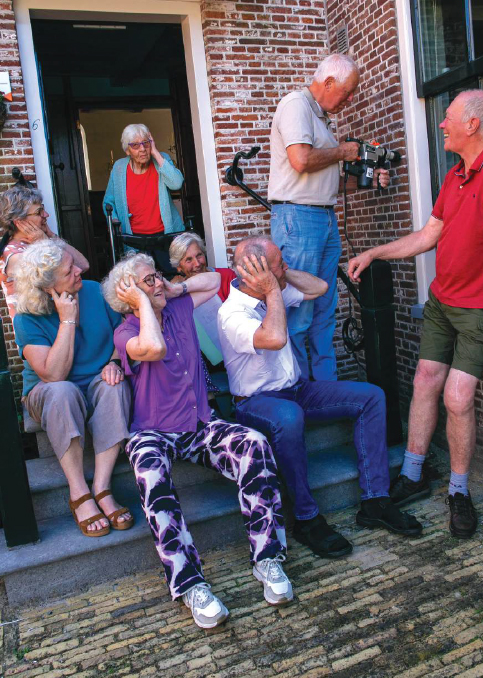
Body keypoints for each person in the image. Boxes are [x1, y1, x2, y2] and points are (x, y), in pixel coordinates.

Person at [348, 89, 483, 539]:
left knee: (457, 397)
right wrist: (376, 252)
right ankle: (414, 474)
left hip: (479, 310)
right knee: (425, 382)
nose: (441, 123)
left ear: (472, 124)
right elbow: (428, 235)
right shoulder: (455, 175)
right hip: (441, 303)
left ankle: (459, 491)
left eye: (449, 117)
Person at [102, 253, 292, 630]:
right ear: (128, 297)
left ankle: (267, 558)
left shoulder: (178, 307)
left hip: (200, 423)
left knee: (253, 442)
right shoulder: (126, 333)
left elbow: (212, 281)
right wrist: (142, 305)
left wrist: (172, 287)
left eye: (157, 275)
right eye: (148, 280)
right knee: (149, 473)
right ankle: (189, 584)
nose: (158, 282)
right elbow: (153, 349)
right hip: (152, 431)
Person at [218, 235, 422, 561]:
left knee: (371, 396)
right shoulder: (232, 313)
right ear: (253, 275)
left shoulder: (273, 290)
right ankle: (306, 517)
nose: (286, 269)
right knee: (288, 417)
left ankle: (375, 500)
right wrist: (273, 288)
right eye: (278, 265)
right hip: (256, 402)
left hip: (298, 390)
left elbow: (319, 288)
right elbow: (274, 337)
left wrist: (279, 276)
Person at [268, 53, 390, 382]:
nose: (349, 100)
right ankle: (298, 393)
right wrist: (343, 151)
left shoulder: (321, 118)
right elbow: (301, 160)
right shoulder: (296, 105)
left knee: (324, 309)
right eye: (347, 92)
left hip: (323, 216)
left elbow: (325, 180)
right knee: (298, 310)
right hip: (298, 218)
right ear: (329, 82)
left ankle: (328, 390)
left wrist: (368, 181)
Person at [13, 239, 132, 537]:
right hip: (48, 391)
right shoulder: (27, 317)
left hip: (95, 379)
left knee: (114, 385)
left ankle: (102, 488)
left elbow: (123, 332)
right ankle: (79, 493)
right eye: (69, 270)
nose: (79, 270)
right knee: (62, 391)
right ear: (48, 285)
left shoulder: (94, 291)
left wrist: (115, 361)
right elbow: (52, 375)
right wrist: (67, 319)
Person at [102, 124, 184, 276]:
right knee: (141, 282)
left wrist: (156, 153)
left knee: (173, 278)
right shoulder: (119, 168)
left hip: (165, 237)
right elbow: (108, 201)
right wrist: (114, 221)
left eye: (145, 143)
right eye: (135, 145)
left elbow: (176, 183)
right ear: (127, 150)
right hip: (134, 241)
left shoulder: (162, 160)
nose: (142, 149)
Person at [0, 185, 89, 322]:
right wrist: (43, 241)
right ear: (20, 222)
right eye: (39, 212)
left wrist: (50, 236)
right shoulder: (12, 255)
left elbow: (83, 265)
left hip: (61, 322)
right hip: (38, 331)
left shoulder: (41, 241)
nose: (46, 215)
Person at [169, 232, 235, 392]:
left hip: (236, 346)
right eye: (188, 260)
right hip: (207, 359)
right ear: (179, 267)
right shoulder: (178, 291)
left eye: (199, 255)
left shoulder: (225, 276)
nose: (197, 263)